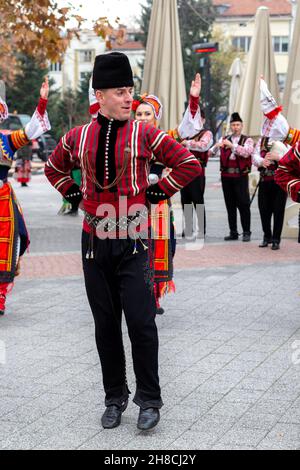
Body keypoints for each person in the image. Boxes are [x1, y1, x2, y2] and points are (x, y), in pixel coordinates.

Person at [45, 52, 202, 431]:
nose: (128, 97)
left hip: (134, 239)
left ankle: (149, 399)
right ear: (99, 94)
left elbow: (189, 164)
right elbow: (52, 167)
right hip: (95, 242)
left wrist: (155, 193)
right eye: (120, 91)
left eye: (130, 90)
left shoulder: (145, 132)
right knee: (104, 324)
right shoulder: (78, 136)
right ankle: (114, 396)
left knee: (142, 322)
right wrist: (73, 194)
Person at [132, 74, 202, 315]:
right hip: (132, 205)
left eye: (147, 114)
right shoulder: (127, 138)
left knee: (164, 248)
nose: (142, 118)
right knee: (136, 251)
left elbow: (188, 127)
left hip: (160, 205)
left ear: (156, 118)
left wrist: (193, 100)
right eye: (138, 114)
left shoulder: (166, 139)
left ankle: (154, 295)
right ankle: (139, 298)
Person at [0, 78, 50, 316]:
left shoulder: (7, 140)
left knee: (6, 247)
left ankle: (0, 296)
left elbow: (32, 129)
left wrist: (42, 102)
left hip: (2, 199)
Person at [252, 79, 289, 250]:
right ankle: (266, 236)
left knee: (278, 210)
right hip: (265, 179)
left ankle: (276, 239)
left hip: (279, 180)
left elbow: (291, 160)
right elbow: (254, 156)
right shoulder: (262, 141)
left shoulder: (285, 142)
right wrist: (262, 161)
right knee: (264, 210)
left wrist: (278, 158)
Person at [209, 112, 254, 242]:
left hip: (240, 175)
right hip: (226, 175)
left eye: (238, 125)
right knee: (230, 204)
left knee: (244, 204)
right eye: (233, 125)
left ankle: (246, 231)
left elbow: (247, 153)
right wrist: (216, 147)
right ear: (230, 126)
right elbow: (210, 154)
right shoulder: (224, 138)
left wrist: (232, 146)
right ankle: (233, 231)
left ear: (242, 126)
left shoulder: (248, 140)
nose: (235, 127)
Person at [181, 109, 214, 237]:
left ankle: (201, 230)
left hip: (197, 172)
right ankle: (188, 228)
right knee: (185, 200)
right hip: (183, 171)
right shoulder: (185, 133)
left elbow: (204, 145)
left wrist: (187, 143)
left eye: (199, 119)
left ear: (203, 120)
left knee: (198, 200)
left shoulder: (207, 133)